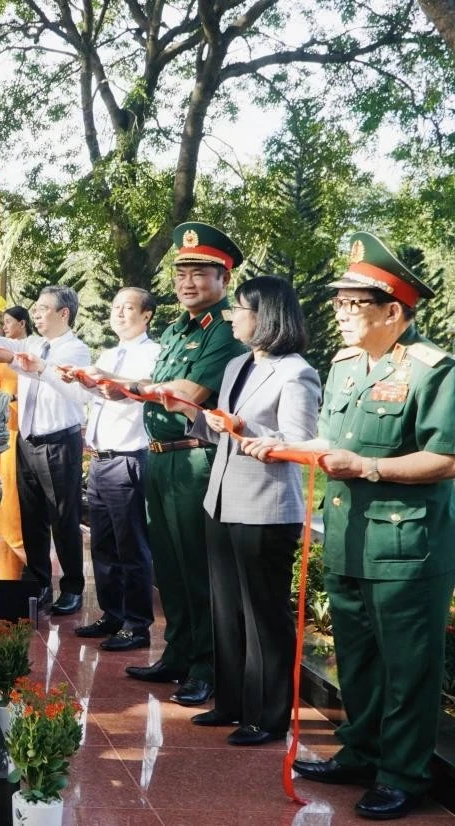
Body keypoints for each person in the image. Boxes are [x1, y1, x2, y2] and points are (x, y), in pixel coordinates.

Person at [247, 233, 455, 820]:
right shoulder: (342, 367)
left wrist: (368, 467)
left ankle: (404, 774)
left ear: (393, 311)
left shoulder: (432, 370)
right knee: (359, 658)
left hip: (405, 545)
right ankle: (361, 751)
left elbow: (446, 458)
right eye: (337, 303)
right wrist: (283, 447)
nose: (339, 313)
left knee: (408, 667)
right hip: (348, 537)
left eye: (352, 304)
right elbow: (332, 444)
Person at [82, 222, 247, 707]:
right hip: (159, 459)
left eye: (201, 272)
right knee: (170, 570)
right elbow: (156, 387)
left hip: (195, 460)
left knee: (197, 569)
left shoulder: (223, 333)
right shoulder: (176, 331)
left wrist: (129, 384)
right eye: (182, 273)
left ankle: (206, 666)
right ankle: (177, 653)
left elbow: (189, 396)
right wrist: (116, 384)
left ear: (224, 278)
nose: (188, 282)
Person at [163, 276, 320, 745]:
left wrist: (253, 434)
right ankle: (230, 703)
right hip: (223, 499)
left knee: (262, 612)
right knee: (226, 608)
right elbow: (218, 434)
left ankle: (269, 715)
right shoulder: (236, 367)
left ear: (266, 316)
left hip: (267, 506)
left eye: (241, 310)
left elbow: (300, 442)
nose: (234, 317)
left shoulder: (296, 372)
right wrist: (194, 415)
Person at [0, 285, 91, 614]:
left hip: (59, 441)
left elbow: (57, 378)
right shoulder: (32, 343)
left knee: (63, 516)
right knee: (31, 518)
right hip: (28, 441)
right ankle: (42, 583)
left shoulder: (75, 350)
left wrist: (31, 364)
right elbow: (9, 345)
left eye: (44, 308)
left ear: (64, 313)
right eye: (36, 308)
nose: (37, 314)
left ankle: (72, 586)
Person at [72, 288, 161, 651]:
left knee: (131, 546)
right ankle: (112, 613)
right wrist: (83, 381)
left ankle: (137, 623)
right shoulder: (108, 353)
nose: (119, 314)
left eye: (128, 309)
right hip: (101, 457)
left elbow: (134, 392)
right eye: (116, 308)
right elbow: (102, 396)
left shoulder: (152, 354)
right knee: (102, 545)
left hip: (129, 455)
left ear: (147, 316)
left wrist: (102, 378)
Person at [0, 305, 35, 580]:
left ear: (23, 323)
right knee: (0, 499)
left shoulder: (33, 350)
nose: (4, 327)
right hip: (3, 432)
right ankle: (3, 572)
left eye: (8, 322)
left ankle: (26, 564)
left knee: (15, 502)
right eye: (2, 322)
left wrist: (14, 401)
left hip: (23, 430)